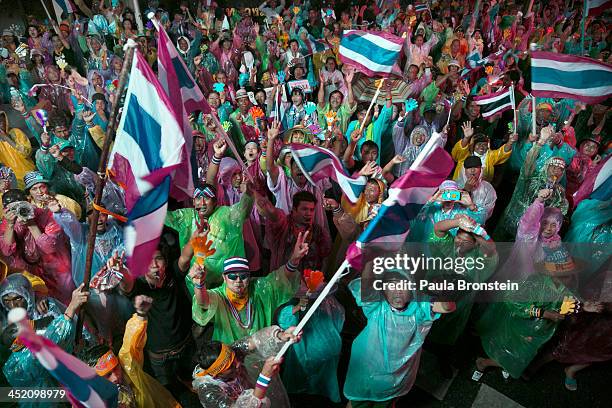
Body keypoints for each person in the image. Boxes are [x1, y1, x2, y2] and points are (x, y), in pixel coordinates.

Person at [343, 271, 455, 406]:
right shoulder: (376, 306)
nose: (397, 291)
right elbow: (366, 286)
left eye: (403, 285)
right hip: (367, 370)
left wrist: (440, 294)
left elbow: (447, 307)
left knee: (387, 403)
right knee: (357, 401)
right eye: (391, 286)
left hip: (395, 378)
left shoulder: (418, 309)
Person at [189, 231, 308, 344]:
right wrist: (199, 284)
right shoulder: (219, 295)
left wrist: (295, 259)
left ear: (249, 276)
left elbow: (279, 279)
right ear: (224, 278)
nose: (238, 281)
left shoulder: (259, 288)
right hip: (230, 355)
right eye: (232, 276)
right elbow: (204, 303)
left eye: (243, 276)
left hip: (259, 349)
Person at [118, 236, 194, 400]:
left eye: (158, 259)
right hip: (160, 358)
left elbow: (185, 258)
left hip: (185, 346)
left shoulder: (173, 274)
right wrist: (121, 271)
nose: (154, 265)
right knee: (169, 395)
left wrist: (195, 240)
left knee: (192, 381)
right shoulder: (139, 286)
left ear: (165, 262)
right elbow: (126, 284)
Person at [82, 296, 180, 408]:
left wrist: (140, 316)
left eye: (116, 368)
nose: (115, 377)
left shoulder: (127, 366)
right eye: (108, 375)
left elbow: (131, 341)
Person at [165, 181, 254, 289]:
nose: (202, 203)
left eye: (206, 198)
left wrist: (248, 195)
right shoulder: (187, 217)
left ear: (215, 201)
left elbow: (243, 210)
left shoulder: (226, 214)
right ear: (193, 202)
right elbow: (163, 216)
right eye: (198, 198)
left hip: (228, 284)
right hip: (197, 284)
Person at [193, 324, 300, 408]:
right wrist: (264, 378)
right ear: (216, 375)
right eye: (230, 367)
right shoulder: (208, 392)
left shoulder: (231, 352)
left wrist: (280, 336)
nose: (238, 364)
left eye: (235, 358)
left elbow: (256, 340)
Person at [277, 273, 344, 403]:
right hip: (304, 350)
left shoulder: (328, 303)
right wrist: (297, 307)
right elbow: (284, 321)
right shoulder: (295, 303)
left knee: (321, 385)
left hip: (324, 351)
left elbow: (338, 320)